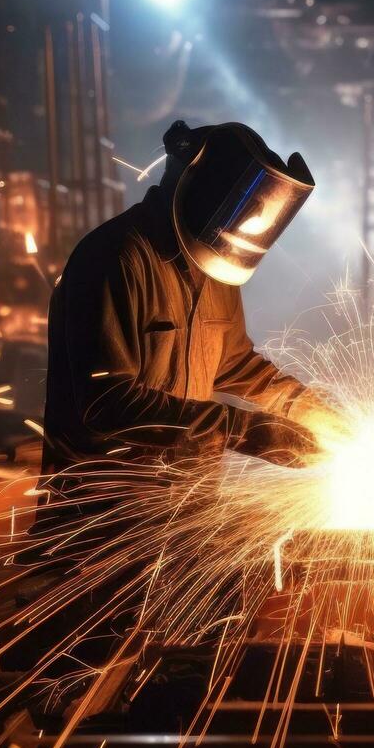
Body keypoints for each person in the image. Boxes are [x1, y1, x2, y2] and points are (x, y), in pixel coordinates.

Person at [38, 120, 347, 548]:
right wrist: (241, 430)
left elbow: (235, 364)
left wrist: (302, 405)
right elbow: (107, 402)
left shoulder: (215, 262)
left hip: (184, 517)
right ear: (198, 194)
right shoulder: (115, 257)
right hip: (102, 527)